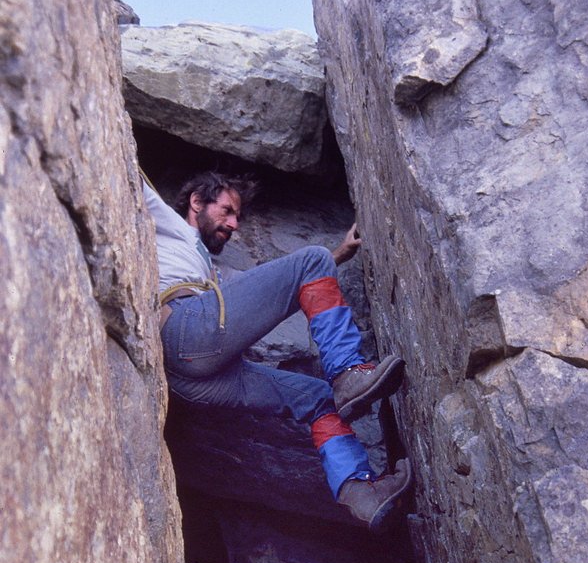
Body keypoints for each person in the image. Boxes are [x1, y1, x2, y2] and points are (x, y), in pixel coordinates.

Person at [143, 171, 412, 532]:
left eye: (237, 216)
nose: (234, 224)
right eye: (226, 210)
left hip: (187, 379)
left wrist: (340, 254)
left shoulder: (209, 271)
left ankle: (361, 490)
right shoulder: (167, 223)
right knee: (311, 260)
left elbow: (265, 292)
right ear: (196, 202)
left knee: (320, 398)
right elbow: (135, 178)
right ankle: (349, 370)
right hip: (184, 329)